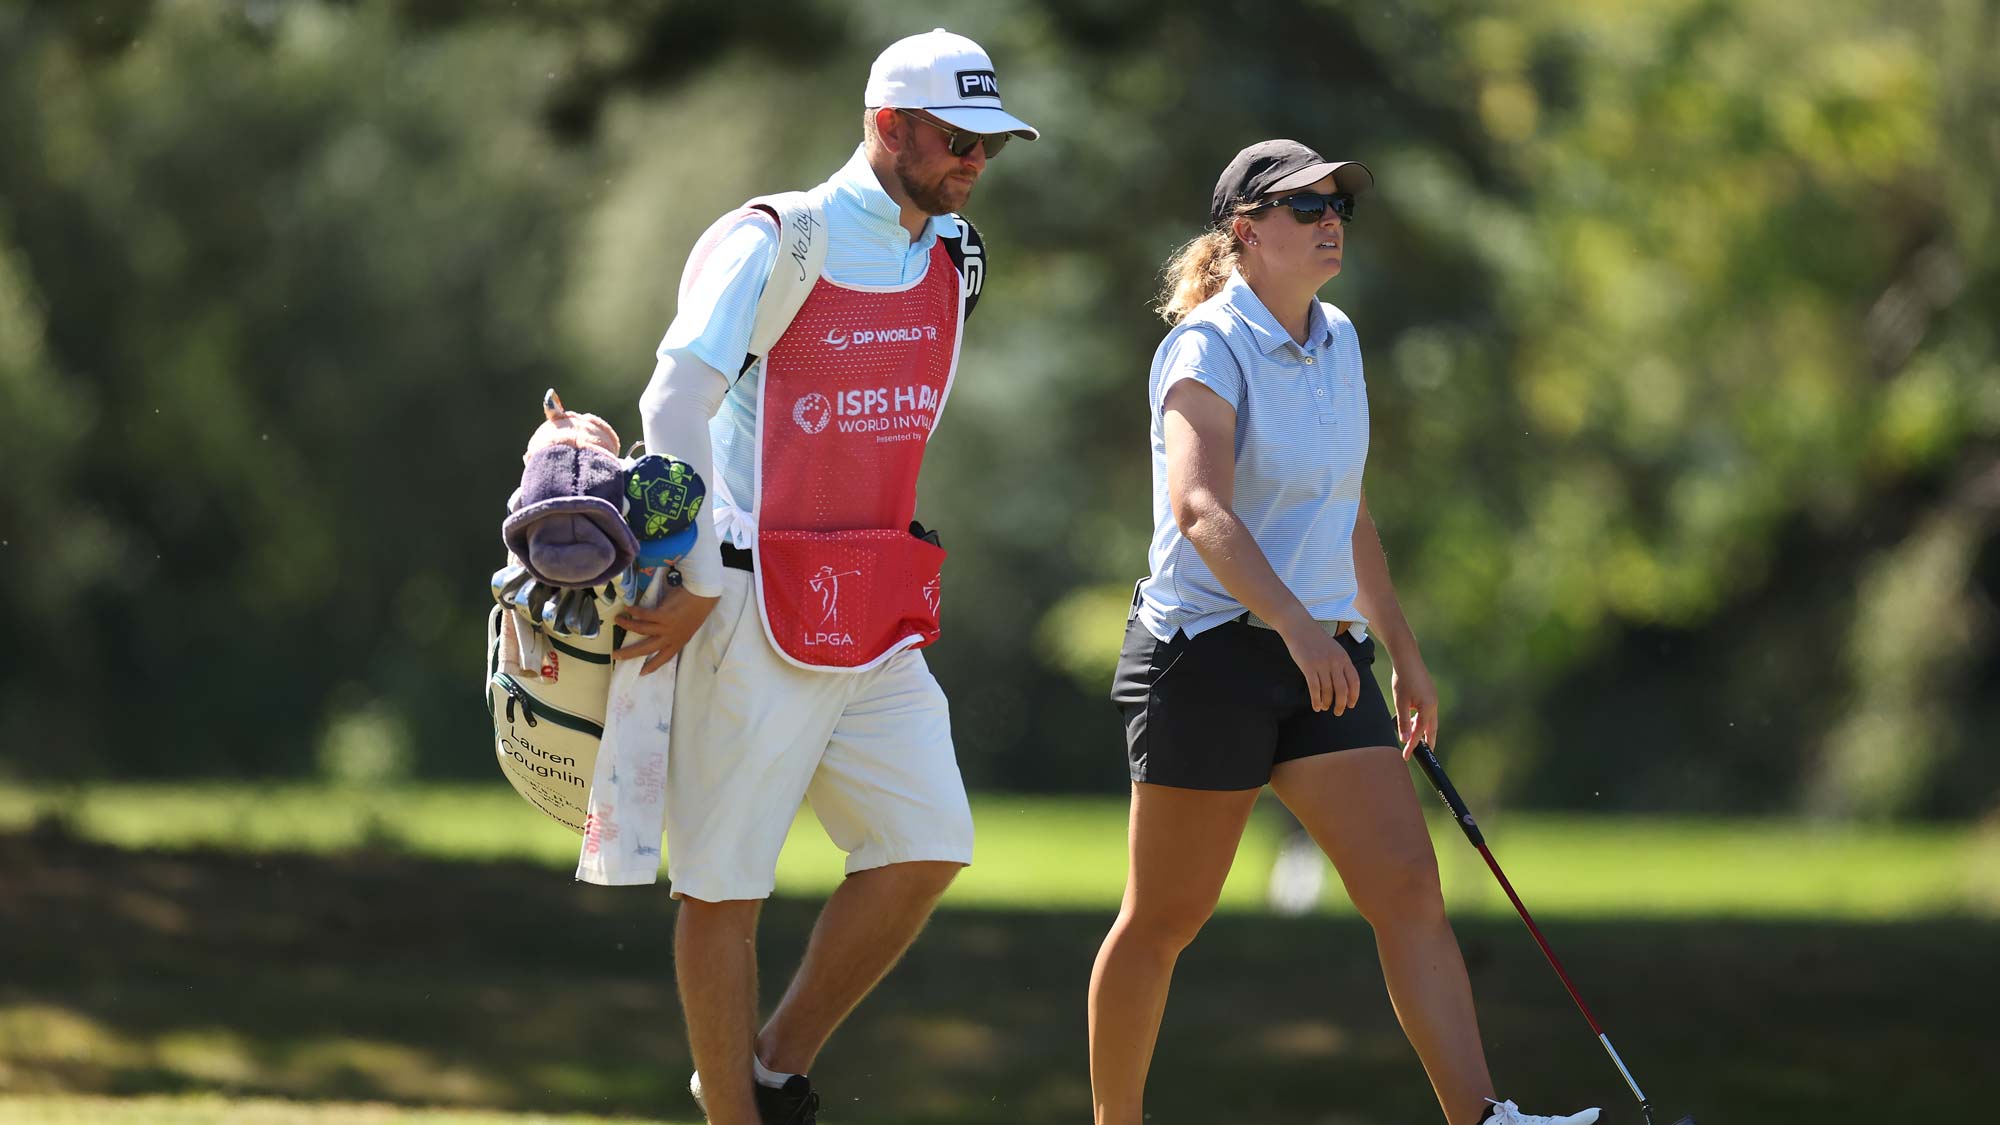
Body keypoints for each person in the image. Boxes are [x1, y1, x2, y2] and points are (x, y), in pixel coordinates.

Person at [1086, 139, 1599, 1125]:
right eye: (1304, 207)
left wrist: (1397, 652)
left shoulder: (1338, 340)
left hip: (1321, 656)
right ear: (1245, 232)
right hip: (1208, 658)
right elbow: (1200, 510)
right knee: (1163, 919)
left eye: (1338, 208)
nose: (1330, 221)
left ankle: (1481, 1118)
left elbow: (1345, 511)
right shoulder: (1205, 347)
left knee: (1407, 885)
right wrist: (1293, 627)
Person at [608, 29, 1038, 1125]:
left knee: (928, 844)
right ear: (885, 125)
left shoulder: (955, 254)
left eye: (988, 145)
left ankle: (764, 1066)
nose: (972, 164)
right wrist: (697, 572)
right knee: (723, 885)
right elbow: (672, 406)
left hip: (878, 602)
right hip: (749, 600)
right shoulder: (774, 237)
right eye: (955, 140)